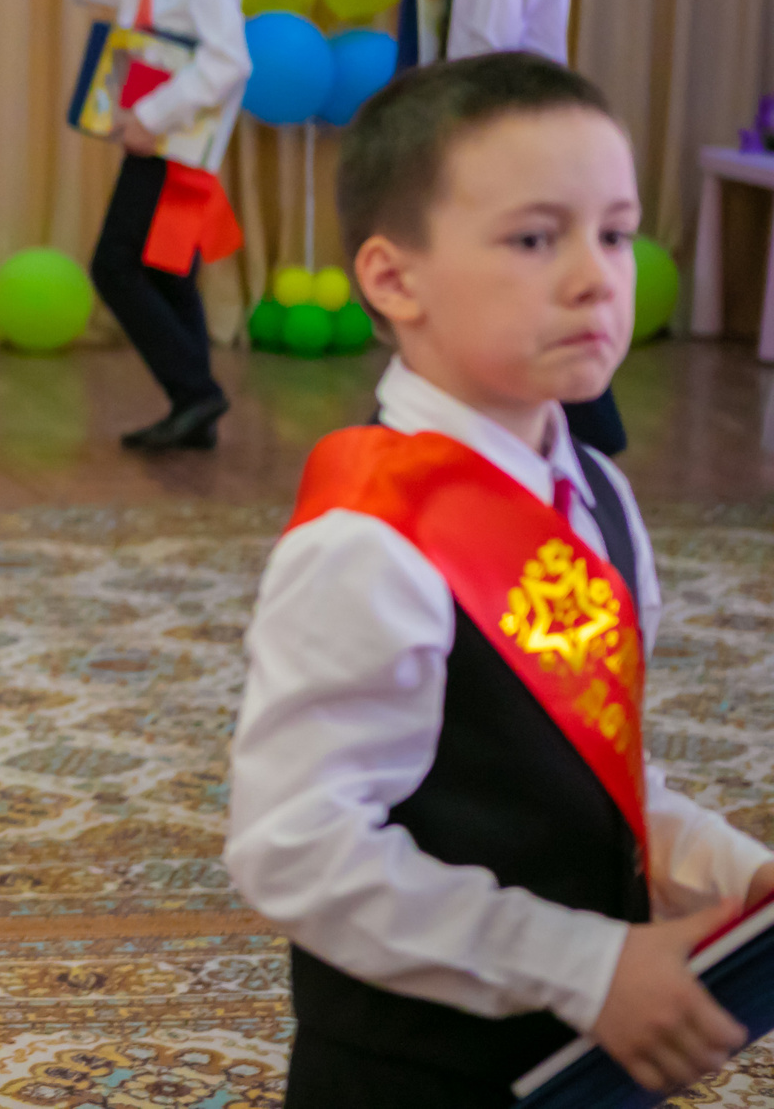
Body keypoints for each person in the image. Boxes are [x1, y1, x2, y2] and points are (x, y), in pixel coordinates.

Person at [226, 54, 774, 1107]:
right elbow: (295, 850)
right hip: (414, 1078)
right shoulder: (366, 542)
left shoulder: (600, 498)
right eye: (535, 238)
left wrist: (726, 869)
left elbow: (598, 774)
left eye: (613, 233)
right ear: (394, 278)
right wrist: (583, 962)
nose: (595, 276)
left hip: (577, 1061)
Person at [41, 0, 252, 450]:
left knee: (116, 267)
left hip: (175, 148)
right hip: (159, 142)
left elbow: (227, 61)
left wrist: (151, 115)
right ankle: (196, 410)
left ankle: (197, 392)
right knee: (165, 272)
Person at [439, 0, 626, 455]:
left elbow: (486, 67)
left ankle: (589, 429)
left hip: (505, 144)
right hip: (526, 143)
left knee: (531, 290)